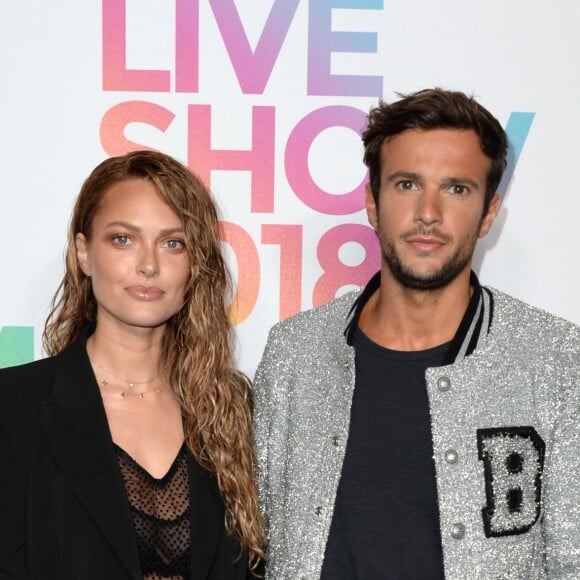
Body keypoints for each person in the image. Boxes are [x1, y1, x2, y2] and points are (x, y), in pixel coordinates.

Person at [253, 89, 579, 579]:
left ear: (489, 213)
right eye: (407, 184)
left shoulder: (554, 359)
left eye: (456, 189)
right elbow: (255, 543)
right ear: (372, 201)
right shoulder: (295, 353)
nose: (429, 212)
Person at [0, 150, 264, 579]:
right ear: (84, 253)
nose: (148, 266)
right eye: (123, 239)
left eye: (172, 243)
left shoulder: (232, 408)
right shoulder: (15, 407)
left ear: (195, 264)